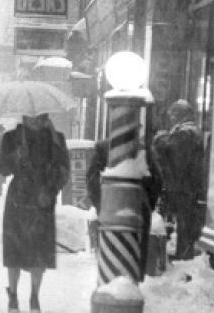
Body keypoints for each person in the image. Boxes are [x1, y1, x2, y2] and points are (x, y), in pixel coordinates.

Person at [0, 112, 70, 313]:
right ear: (23, 116)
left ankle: (34, 296)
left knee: (39, 251)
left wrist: (51, 190)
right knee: (14, 249)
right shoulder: (11, 138)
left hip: (43, 199)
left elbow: (64, 170)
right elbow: (3, 169)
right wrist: (16, 156)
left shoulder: (56, 139)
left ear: (46, 116)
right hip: (18, 199)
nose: (34, 120)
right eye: (30, 116)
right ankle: (13, 294)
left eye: (38, 116)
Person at [87, 133, 162, 279]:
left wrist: (101, 204)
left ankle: (110, 278)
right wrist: (147, 204)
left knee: (110, 253)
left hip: (109, 209)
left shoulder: (103, 148)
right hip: (139, 210)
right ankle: (134, 279)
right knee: (136, 254)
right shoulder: (144, 150)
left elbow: (92, 180)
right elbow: (158, 179)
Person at [153, 100, 207, 260]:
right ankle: (180, 253)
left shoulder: (185, 133)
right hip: (185, 186)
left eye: (173, 114)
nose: (170, 117)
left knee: (183, 224)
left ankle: (182, 256)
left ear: (180, 115)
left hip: (182, 187)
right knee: (182, 223)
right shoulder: (189, 132)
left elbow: (175, 157)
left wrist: (160, 140)